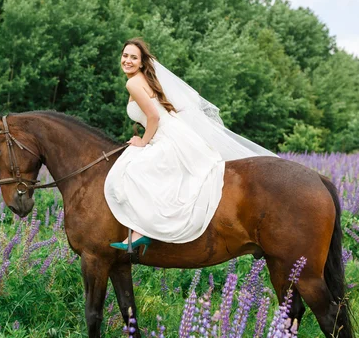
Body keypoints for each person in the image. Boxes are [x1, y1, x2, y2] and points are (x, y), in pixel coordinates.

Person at [104, 38, 277, 253]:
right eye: (125, 55)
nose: (127, 60)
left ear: (141, 62)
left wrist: (142, 142)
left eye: (133, 57)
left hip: (167, 136)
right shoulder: (143, 78)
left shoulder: (132, 83)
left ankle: (144, 230)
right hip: (173, 132)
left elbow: (154, 117)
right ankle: (141, 230)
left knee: (132, 171)